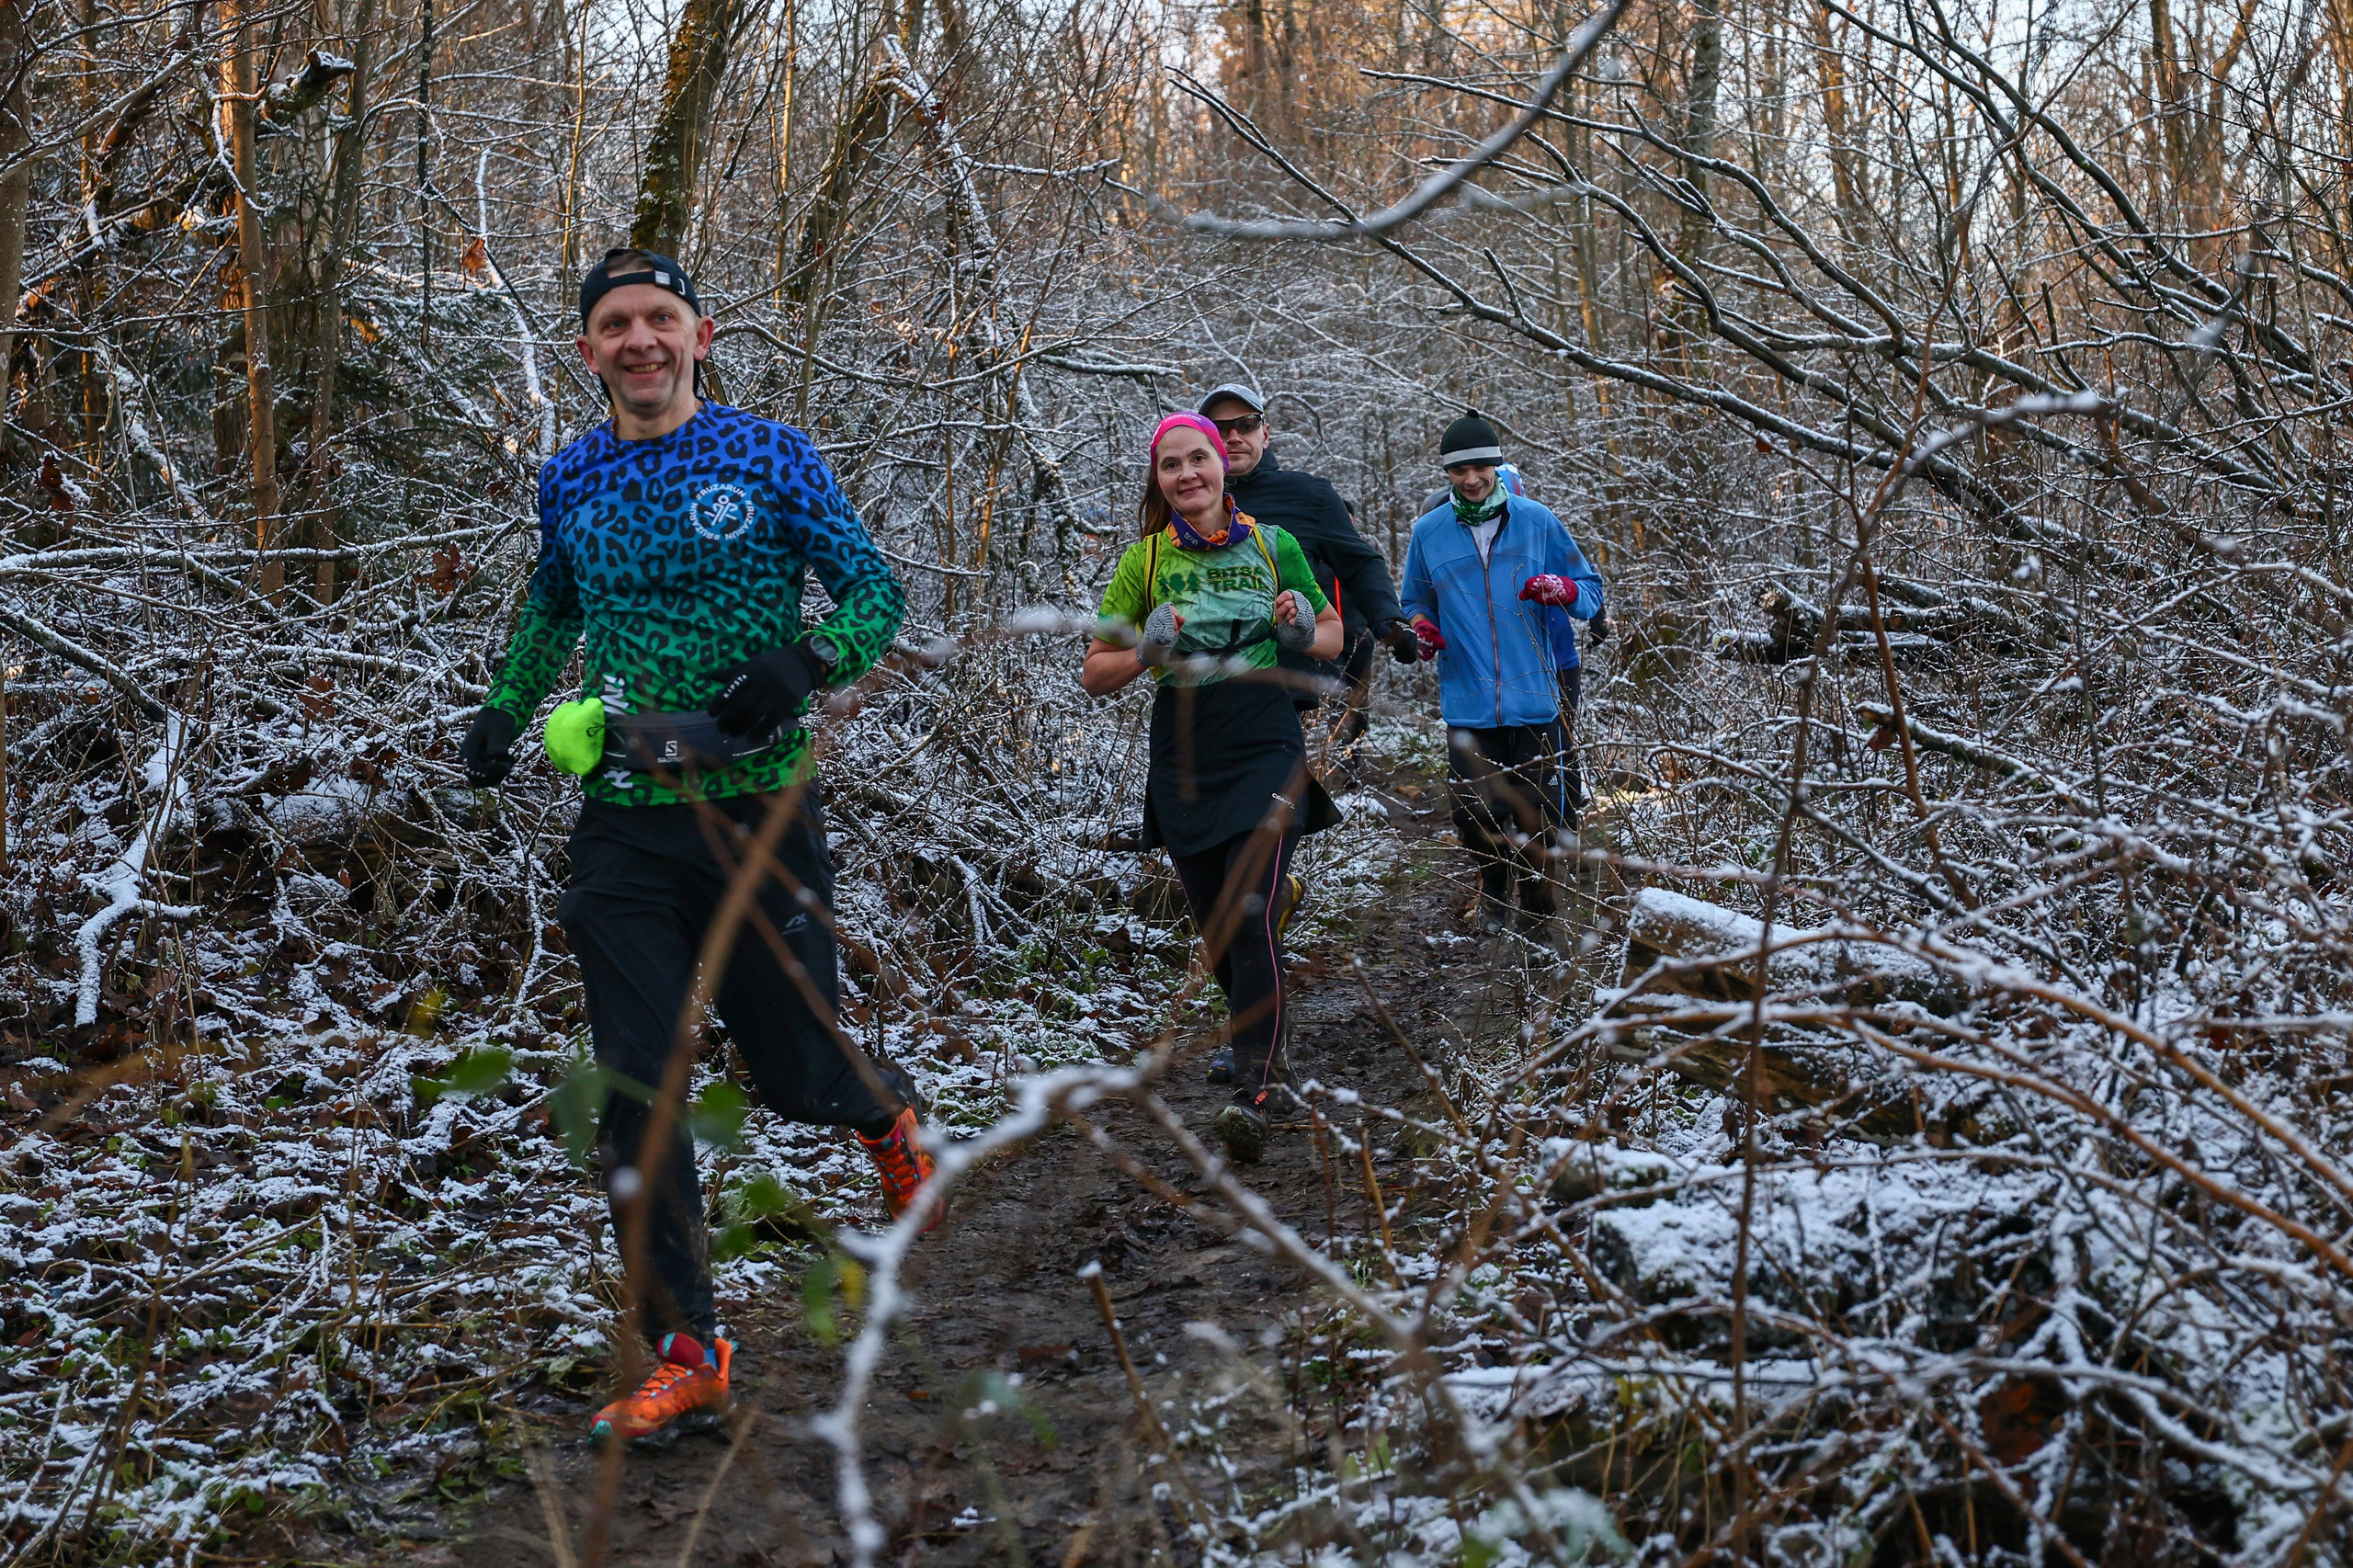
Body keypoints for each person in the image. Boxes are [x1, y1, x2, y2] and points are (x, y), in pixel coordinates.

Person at [455, 247, 933, 1445]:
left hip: (761, 807)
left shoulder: (770, 453)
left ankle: (881, 1118)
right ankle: (687, 1345)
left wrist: (809, 659)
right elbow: (554, 604)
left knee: (794, 1077)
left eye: (659, 318)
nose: (639, 340)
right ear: (588, 349)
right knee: (636, 1085)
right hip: (623, 817)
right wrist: (507, 709)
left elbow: (874, 592)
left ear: (699, 334)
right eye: (616, 323)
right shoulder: (569, 477)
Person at [1080, 413, 1345, 1164]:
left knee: (1249, 904)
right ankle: (1265, 1035)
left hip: (1265, 731)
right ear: (1158, 480)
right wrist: (1147, 649)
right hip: (1186, 743)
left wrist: (1299, 630)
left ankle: (1256, 1090)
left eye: (1200, 458)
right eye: (1172, 465)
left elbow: (1333, 634)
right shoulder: (1145, 561)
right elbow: (1095, 673)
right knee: (1218, 925)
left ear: (1223, 466)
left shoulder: (1274, 544)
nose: (1189, 473)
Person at [1398, 412, 1604, 937]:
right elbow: (1414, 600)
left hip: (1535, 700)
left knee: (1538, 818)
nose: (1472, 478)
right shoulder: (1429, 532)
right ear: (1447, 473)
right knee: (1475, 818)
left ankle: (1538, 925)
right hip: (1467, 701)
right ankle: (1493, 886)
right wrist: (1422, 628)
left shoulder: (1537, 520)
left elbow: (1591, 590)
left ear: (1497, 466)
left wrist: (1565, 590)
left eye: (1482, 467)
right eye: (1460, 469)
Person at [1199, 385, 1415, 748]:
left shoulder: (1307, 496)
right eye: (1220, 429)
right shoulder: (1183, 498)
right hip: (1199, 691)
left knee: (1275, 798)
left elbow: (1359, 564)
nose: (1233, 436)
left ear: (1265, 434)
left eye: (1246, 424)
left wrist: (1388, 621)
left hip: (1281, 691)